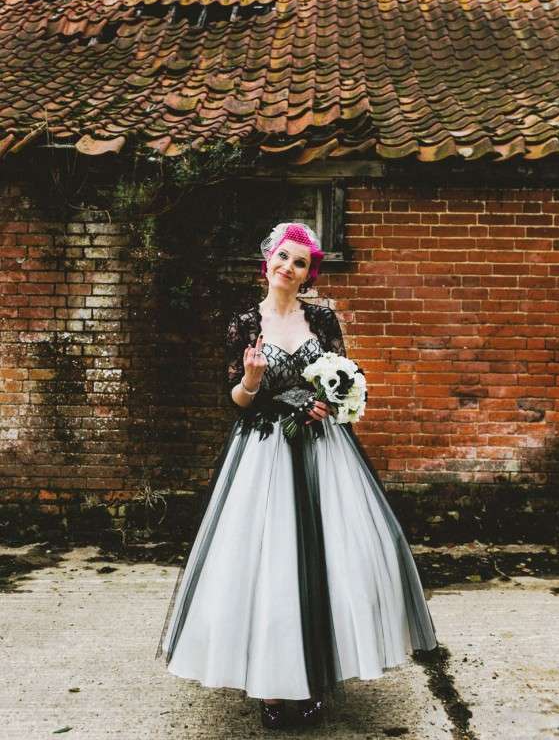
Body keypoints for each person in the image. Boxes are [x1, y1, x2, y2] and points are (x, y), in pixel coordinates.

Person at [156, 221, 438, 730]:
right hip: (265, 452)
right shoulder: (244, 324)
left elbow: (343, 379)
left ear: (309, 273)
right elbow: (237, 402)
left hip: (323, 454)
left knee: (334, 563)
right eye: (283, 257)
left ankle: (312, 677)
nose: (289, 267)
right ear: (268, 261)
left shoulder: (323, 320)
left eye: (300, 262)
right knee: (270, 570)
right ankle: (271, 684)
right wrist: (253, 380)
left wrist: (328, 402)